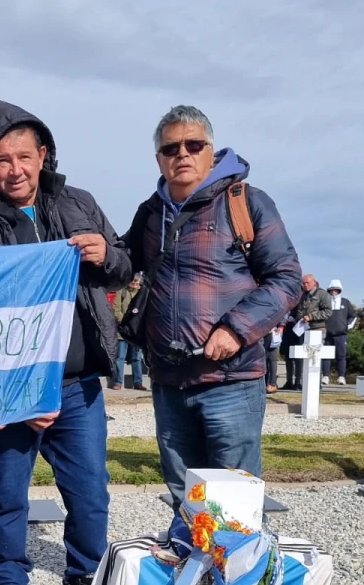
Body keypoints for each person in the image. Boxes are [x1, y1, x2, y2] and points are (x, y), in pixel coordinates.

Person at [0, 100, 131, 585]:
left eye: (24, 157)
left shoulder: (80, 203)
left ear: (44, 155)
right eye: (2, 160)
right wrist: (16, 395)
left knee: (89, 491)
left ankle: (85, 579)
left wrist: (107, 254)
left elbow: (123, 267)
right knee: (8, 493)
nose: (15, 169)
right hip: (13, 392)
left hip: (78, 385)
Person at [123, 104, 301, 553]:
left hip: (232, 382)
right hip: (169, 381)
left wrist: (236, 330)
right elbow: (122, 263)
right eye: (170, 148)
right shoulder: (151, 213)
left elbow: (287, 279)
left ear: (210, 150)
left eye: (193, 145)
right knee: (186, 500)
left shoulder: (246, 202)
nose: (181, 154)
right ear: (159, 157)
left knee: (233, 502)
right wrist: (91, 246)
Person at [282, 274, 332, 390]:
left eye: (307, 283)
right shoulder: (303, 295)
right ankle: (304, 381)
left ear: (314, 282)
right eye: (303, 283)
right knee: (304, 356)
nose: (305, 285)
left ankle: (317, 383)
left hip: (317, 329)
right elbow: (300, 310)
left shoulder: (322, 294)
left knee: (315, 356)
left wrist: (311, 316)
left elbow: (328, 312)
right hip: (303, 329)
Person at [110, 273, 146, 391]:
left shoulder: (143, 293)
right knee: (120, 357)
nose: (135, 284)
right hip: (123, 331)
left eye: (137, 283)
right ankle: (118, 382)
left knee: (137, 358)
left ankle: (138, 382)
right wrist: (125, 322)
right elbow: (116, 309)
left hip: (137, 331)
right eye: (133, 282)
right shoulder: (122, 292)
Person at [322, 279, 358, 385]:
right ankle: (325, 376)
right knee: (326, 356)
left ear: (339, 290)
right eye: (332, 290)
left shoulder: (345, 302)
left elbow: (353, 315)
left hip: (341, 334)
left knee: (341, 356)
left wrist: (348, 326)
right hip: (328, 334)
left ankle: (341, 376)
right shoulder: (325, 302)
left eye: (336, 290)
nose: (334, 292)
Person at [263, 324, 283, 393]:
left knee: (272, 360)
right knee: (264, 361)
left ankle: (272, 384)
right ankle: (266, 384)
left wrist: (281, 326)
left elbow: (281, 317)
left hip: (271, 334)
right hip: (262, 333)